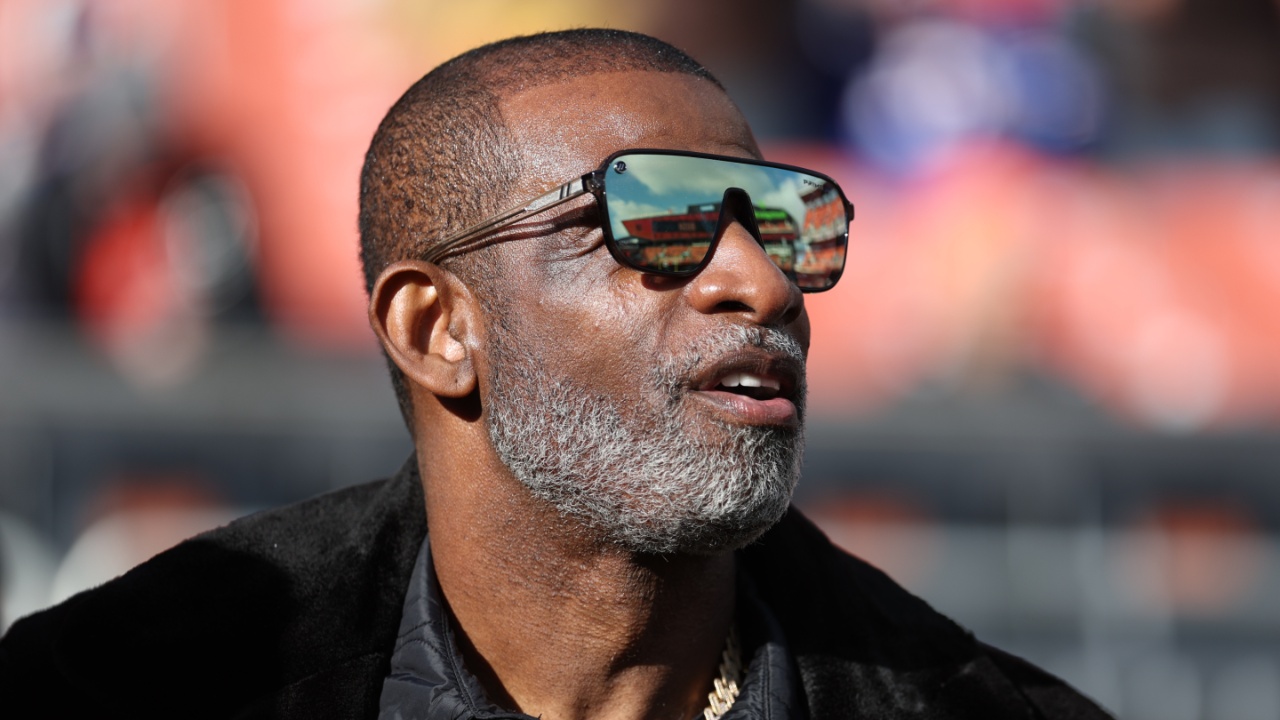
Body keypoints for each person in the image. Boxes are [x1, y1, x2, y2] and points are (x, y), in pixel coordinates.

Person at [0, 29, 1112, 719]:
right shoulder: (117, 688)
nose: (761, 286)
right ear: (437, 326)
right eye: (657, 221)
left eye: (785, 227)